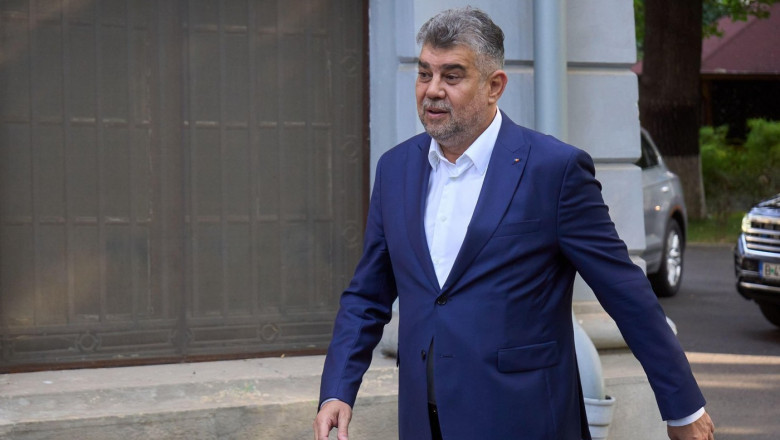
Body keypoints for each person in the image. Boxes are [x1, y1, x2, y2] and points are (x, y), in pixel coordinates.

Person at [313, 6, 715, 440]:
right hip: (424, 421)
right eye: (424, 73)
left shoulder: (554, 171)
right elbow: (367, 295)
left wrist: (683, 408)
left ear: (494, 85)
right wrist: (338, 390)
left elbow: (626, 293)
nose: (432, 90)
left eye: (452, 76)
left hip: (526, 419)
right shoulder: (395, 170)